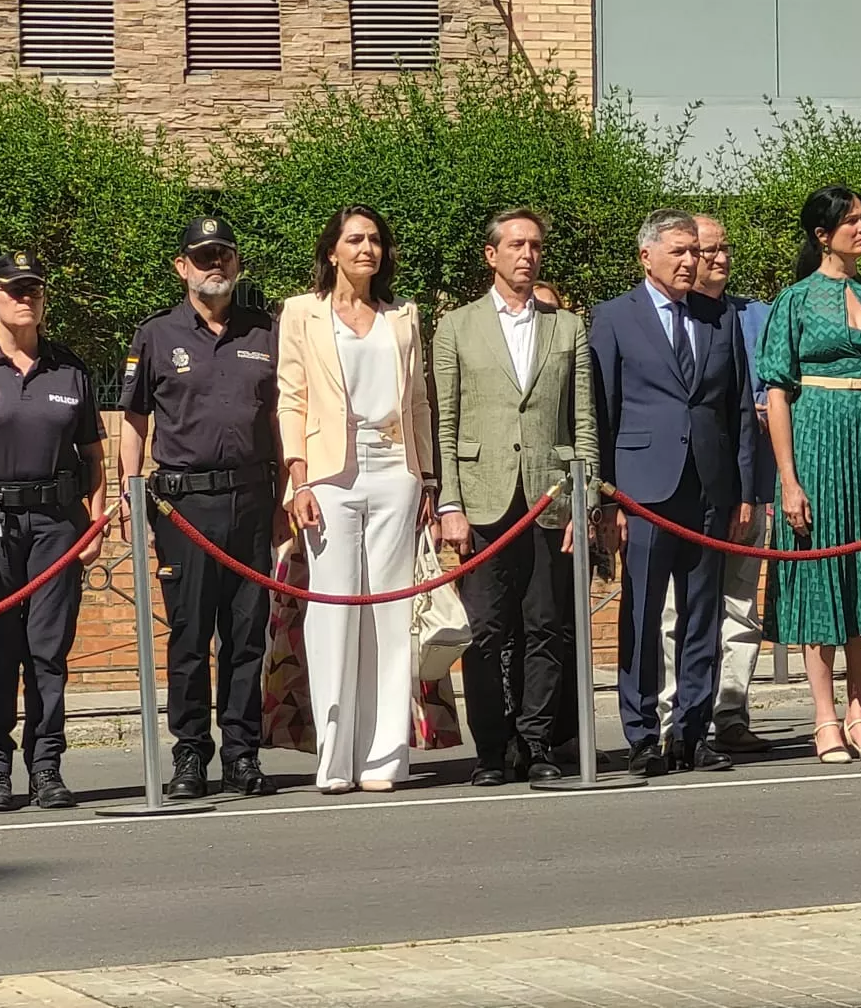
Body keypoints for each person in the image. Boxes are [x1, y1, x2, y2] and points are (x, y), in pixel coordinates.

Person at [757, 187, 861, 765]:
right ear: (822, 234)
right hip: (819, 446)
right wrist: (788, 479)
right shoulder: (796, 301)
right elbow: (776, 392)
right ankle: (824, 718)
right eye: (850, 219)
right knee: (821, 573)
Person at [591, 208, 762, 776]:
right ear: (647, 256)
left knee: (702, 614)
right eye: (680, 252)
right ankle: (641, 734)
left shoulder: (718, 319)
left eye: (697, 251)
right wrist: (608, 499)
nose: (693, 261)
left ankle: (692, 731)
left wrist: (741, 490)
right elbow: (603, 413)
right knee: (640, 613)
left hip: (709, 489)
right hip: (643, 489)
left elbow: (738, 408)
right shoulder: (615, 318)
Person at [434, 208, 597, 789]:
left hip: (550, 496)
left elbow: (583, 423)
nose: (527, 255)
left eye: (534, 245)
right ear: (491, 255)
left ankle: (538, 741)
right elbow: (445, 424)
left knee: (547, 625)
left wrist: (586, 504)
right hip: (483, 498)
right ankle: (491, 749)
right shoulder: (456, 326)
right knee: (485, 631)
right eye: (516, 245)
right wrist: (449, 504)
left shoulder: (568, 327)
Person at [118, 216, 281, 799]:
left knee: (247, 635)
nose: (215, 265)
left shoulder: (266, 331)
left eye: (224, 256)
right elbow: (135, 420)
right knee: (189, 636)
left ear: (237, 264)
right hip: (183, 507)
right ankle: (190, 755)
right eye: (203, 256)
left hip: (252, 501)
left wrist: (287, 494)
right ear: (181, 266)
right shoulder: (156, 335)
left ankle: (241, 754)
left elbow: (278, 421)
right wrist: (129, 490)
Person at [277, 207, 436, 792]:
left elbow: (418, 402)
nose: (366, 248)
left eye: (374, 240)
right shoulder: (302, 313)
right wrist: (299, 479)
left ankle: (385, 758)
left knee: (390, 613)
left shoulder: (404, 316)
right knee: (333, 610)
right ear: (332, 251)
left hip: (395, 470)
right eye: (354, 240)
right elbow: (289, 395)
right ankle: (335, 756)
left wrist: (428, 479)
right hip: (329, 474)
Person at [0, 252, 108, 811]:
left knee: (47, 652)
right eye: (14, 289)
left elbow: (93, 456)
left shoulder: (70, 370)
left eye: (33, 288)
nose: (25, 297)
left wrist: (96, 523)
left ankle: (46, 767)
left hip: (57, 524)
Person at [656, 215, 775, 753]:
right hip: (685, 489)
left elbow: (779, 391)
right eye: (708, 249)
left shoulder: (758, 317)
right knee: (675, 610)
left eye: (725, 247)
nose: (719, 258)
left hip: (749, 486)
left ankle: (730, 712)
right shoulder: (665, 320)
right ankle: (673, 718)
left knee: (738, 604)